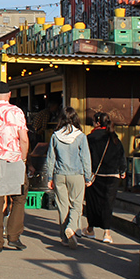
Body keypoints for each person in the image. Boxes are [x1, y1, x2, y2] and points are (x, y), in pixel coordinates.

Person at [0, 81, 30, 253]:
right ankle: (14, 236)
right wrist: (23, 159)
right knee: (19, 197)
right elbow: (23, 138)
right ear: (9, 94)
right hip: (14, 158)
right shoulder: (16, 112)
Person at [43, 106, 92, 249]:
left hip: (59, 174)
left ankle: (65, 237)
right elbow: (85, 158)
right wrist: (88, 177)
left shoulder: (55, 135)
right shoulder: (81, 136)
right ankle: (72, 227)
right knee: (76, 205)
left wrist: (49, 177)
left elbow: (50, 158)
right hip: (77, 174)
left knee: (62, 206)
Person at [81, 112, 126, 244]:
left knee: (92, 203)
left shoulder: (91, 138)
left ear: (98, 123)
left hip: (95, 175)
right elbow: (121, 154)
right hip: (113, 175)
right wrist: (122, 170)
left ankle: (90, 229)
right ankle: (107, 233)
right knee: (108, 203)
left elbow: (86, 156)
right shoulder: (114, 137)